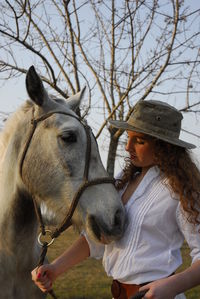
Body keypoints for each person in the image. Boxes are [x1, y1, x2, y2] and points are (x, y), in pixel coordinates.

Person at [31, 100, 200, 299]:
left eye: (139, 141)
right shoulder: (123, 180)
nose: (128, 147)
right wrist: (56, 268)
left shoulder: (182, 189)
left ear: (165, 146)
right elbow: (98, 239)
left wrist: (172, 287)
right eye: (128, 138)